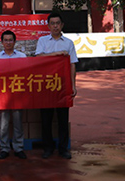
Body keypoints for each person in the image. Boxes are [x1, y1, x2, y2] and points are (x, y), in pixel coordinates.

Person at [35, 12, 78, 159]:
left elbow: (72, 64)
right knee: (46, 119)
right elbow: (38, 57)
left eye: (57, 23)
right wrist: (57, 54)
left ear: (62, 25)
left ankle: (63, 149)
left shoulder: (69, 43)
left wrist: (73, 85)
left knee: (62, 119)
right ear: (48, 26)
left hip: (63, 86)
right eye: (52, 23)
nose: (55, 26)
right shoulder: (42, 41)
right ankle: (48, 148)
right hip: (46, 85)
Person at [0, 30, 27, 159]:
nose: (8, 43)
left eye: (10, 40)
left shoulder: (22, 57)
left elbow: (26, 74)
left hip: (17, 94)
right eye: (5, 40)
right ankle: (4, 148)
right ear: (1, 42)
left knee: (18, 122)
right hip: (2, 96)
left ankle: (18, 148)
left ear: (14, 42)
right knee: (3, 124)